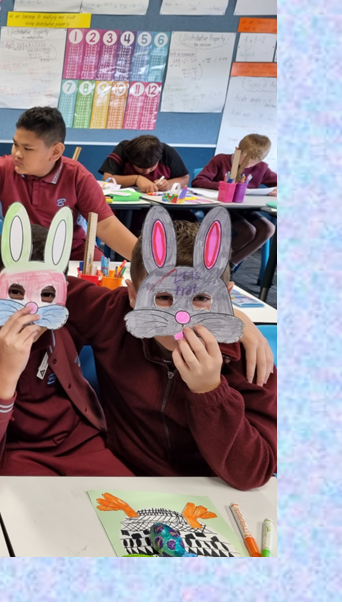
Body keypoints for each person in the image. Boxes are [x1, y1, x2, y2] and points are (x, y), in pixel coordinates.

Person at [63, 210, 277, 490]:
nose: (182, 315)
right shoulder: (114, 314)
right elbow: (29, 287)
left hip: (209, 491)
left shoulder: (248, 358)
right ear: (133, 295)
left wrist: (209, 390)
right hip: (122, 480)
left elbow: (253, 473)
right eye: (163, 297)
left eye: (200, 298)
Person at [0, 225, 133, 478]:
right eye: (15, 292)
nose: (31, 310)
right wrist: (7, 372)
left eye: (47, 294)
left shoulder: (65, 317)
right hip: (10, 452)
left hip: (79, 442)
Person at [0, 106, 137, 261]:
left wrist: (146, 264)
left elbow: (106, 225)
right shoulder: (2, 169)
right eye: (15, 144)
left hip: (70, 253)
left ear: (55, 152)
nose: (17, 154)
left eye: (27, 148)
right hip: (18, 254)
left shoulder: (77, 176)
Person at [192, 134, 277, 265]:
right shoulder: (220, 160)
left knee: (268, 228)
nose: (247, 165)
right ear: (237, 150)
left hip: (243, 208)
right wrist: (226, 187)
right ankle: (214, 263)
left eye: (253, 163)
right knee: (248, 231)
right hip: (219, 207)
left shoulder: (262, 168)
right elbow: (198, 181)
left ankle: (230, 265)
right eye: (244, 160)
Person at [99, 135, 190, 192]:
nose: (146, 172)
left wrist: (168, 184)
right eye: (140, 167)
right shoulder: (124, 149)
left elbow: (184, 177)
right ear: (131, 159)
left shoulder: (167, 152)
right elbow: (107, 179)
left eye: (151, 167)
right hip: (126, 204)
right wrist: (136, 179)